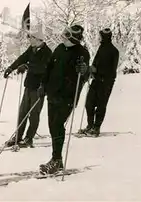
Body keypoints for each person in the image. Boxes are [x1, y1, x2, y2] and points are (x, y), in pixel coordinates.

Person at [39, 25, 90, 175]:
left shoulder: (82, 53)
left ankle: (56, 160)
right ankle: (57, 160)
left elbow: (84, 76)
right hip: (52, 93)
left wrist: (84, 70)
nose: (63, 38)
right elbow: (49, 68)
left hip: (68, 96)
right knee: (52, 125)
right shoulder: (60, 48)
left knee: (57, 124)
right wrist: (43, 85)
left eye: (66, 36)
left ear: (73, 38)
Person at [3, 28, 52, 147]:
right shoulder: (32, 49)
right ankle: (18, 137)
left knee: (34, 114)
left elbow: (42, 68)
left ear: (38, 39)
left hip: (39, 87)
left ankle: (29, 138)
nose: (29, 39)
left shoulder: (47, 52)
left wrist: (27, 67)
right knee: (23, 112)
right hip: (29, 86)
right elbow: (22, 58)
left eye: (32, 38)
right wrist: (11, 67)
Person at [81, 28, 119, 137]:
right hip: (96, 80)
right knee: (89, 104)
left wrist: (96, 70)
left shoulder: (114, 51)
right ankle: (90, 126)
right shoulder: (101, 48)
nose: (99, 38)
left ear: (105, 37)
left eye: (100, 36)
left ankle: (96, 128)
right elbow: (95, 62)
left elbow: (112, 70)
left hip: (106, 83)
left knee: (101, 106)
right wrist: (91, 71)